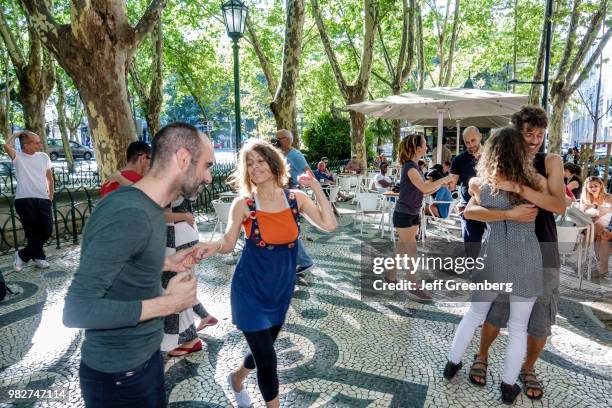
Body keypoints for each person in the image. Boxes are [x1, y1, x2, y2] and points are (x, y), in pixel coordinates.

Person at [63, 122, 215, 408]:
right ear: (183, 159)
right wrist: (167, 305)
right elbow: (76, 310)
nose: (208, 176)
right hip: (119, 376)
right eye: (206, 165)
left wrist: (165, 262)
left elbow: (124, 260)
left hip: (145, 359)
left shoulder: (150, 206)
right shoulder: (130, 213)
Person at [197, 139, 336, 408]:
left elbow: (329, 224)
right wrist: (210, 247)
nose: (255, 167)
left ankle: (237, 378)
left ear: (274, 163)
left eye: (260, 161)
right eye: (249, 163)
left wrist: (316, 187)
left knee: (264, 350)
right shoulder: (244, 204)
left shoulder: (296, 199)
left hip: (281, 291)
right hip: (249, 291)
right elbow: (227, 243)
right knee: (268, 360)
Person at [468, 106, 567, 401]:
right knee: (495, 312)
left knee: (540, 318)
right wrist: (508, 211)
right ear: (516, 131)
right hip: (504, 246)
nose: (535, 139)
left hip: (543, 247)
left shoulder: (550, 161)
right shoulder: (502, 160)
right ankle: (482, 355)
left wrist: (518, 188)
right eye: (528, 133)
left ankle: (527, 368)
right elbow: (475, 203)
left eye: (540, 134)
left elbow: (559, 205)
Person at [444, 127, 546, 405]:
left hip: (493, 253)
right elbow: (554, 201)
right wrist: (513, 211)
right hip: (526, 257)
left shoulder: (480, 183)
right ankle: (508, 386)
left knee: (474, 314)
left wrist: (498, 211)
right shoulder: (534, 183)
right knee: (518, 327)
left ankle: (452, 364)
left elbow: (470, 209)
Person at [387, 134, 452, 300]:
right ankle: (414, 286)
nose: (427, 147)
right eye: (424, 144)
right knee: (411, 250)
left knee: (402, 248)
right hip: (404, 214)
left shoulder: (415, 166)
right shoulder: (409, 167)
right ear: (417, 148)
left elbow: (425, 191)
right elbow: (424, 188)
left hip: (413, 213)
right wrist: (444, 179)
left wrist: (441, 183)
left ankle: (390, 277)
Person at [161, 195, 218, 357]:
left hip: (176, 238)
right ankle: (203, 318)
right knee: (180, 285)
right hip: (183, 234)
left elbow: (159, 213)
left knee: (175, 287)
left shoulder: (170, 183)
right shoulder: (180, 182)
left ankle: (190, 338)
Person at [4, 131, 54, 272]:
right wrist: (16, 134)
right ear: (26, 145)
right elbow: (6, 145)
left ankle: (22, 255)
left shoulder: (43, 157)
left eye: (39, 141)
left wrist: (50, 195)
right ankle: (39, 257)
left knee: (47, 229)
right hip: (24, 198)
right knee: (32, 232)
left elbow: (49, 178)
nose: (40, 144)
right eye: (36, 142)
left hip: (43, 198)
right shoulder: (17, 156)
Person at [274, 129, 314, 275]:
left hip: (292, 195)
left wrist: (304, 184)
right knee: (286, 229)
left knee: (288, 230)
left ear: (288, 140)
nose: (276, 141)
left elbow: (310, 173)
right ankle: (295, 262)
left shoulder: (296, 155)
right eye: (275, 138)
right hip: (282, 194)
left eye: (279, 138)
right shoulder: (280, 154)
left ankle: (304, 261)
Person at [449, 126, 486, 261]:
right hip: (469, 207)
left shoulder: (492, 156)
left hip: (492, 205)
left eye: (473, 140)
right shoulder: (459, 159)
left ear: (480, 136)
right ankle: (473, 272)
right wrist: (448, 184)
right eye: (467, 142)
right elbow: (452, 183)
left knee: (495, 242)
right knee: (471, 243)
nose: (471, 145)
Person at [579, 176, 612, 277]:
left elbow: (608, 210)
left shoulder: (608, 196)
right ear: (586, 188)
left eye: (595, 186)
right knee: (594, 230)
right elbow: (581, 212)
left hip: (606, 220)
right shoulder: (584, 198)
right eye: (590, 187)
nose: (593, 188)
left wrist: (595, 206)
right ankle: (599, 267)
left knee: (596, 228)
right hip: (590, 221)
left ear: (601, 186)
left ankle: (581, 253)